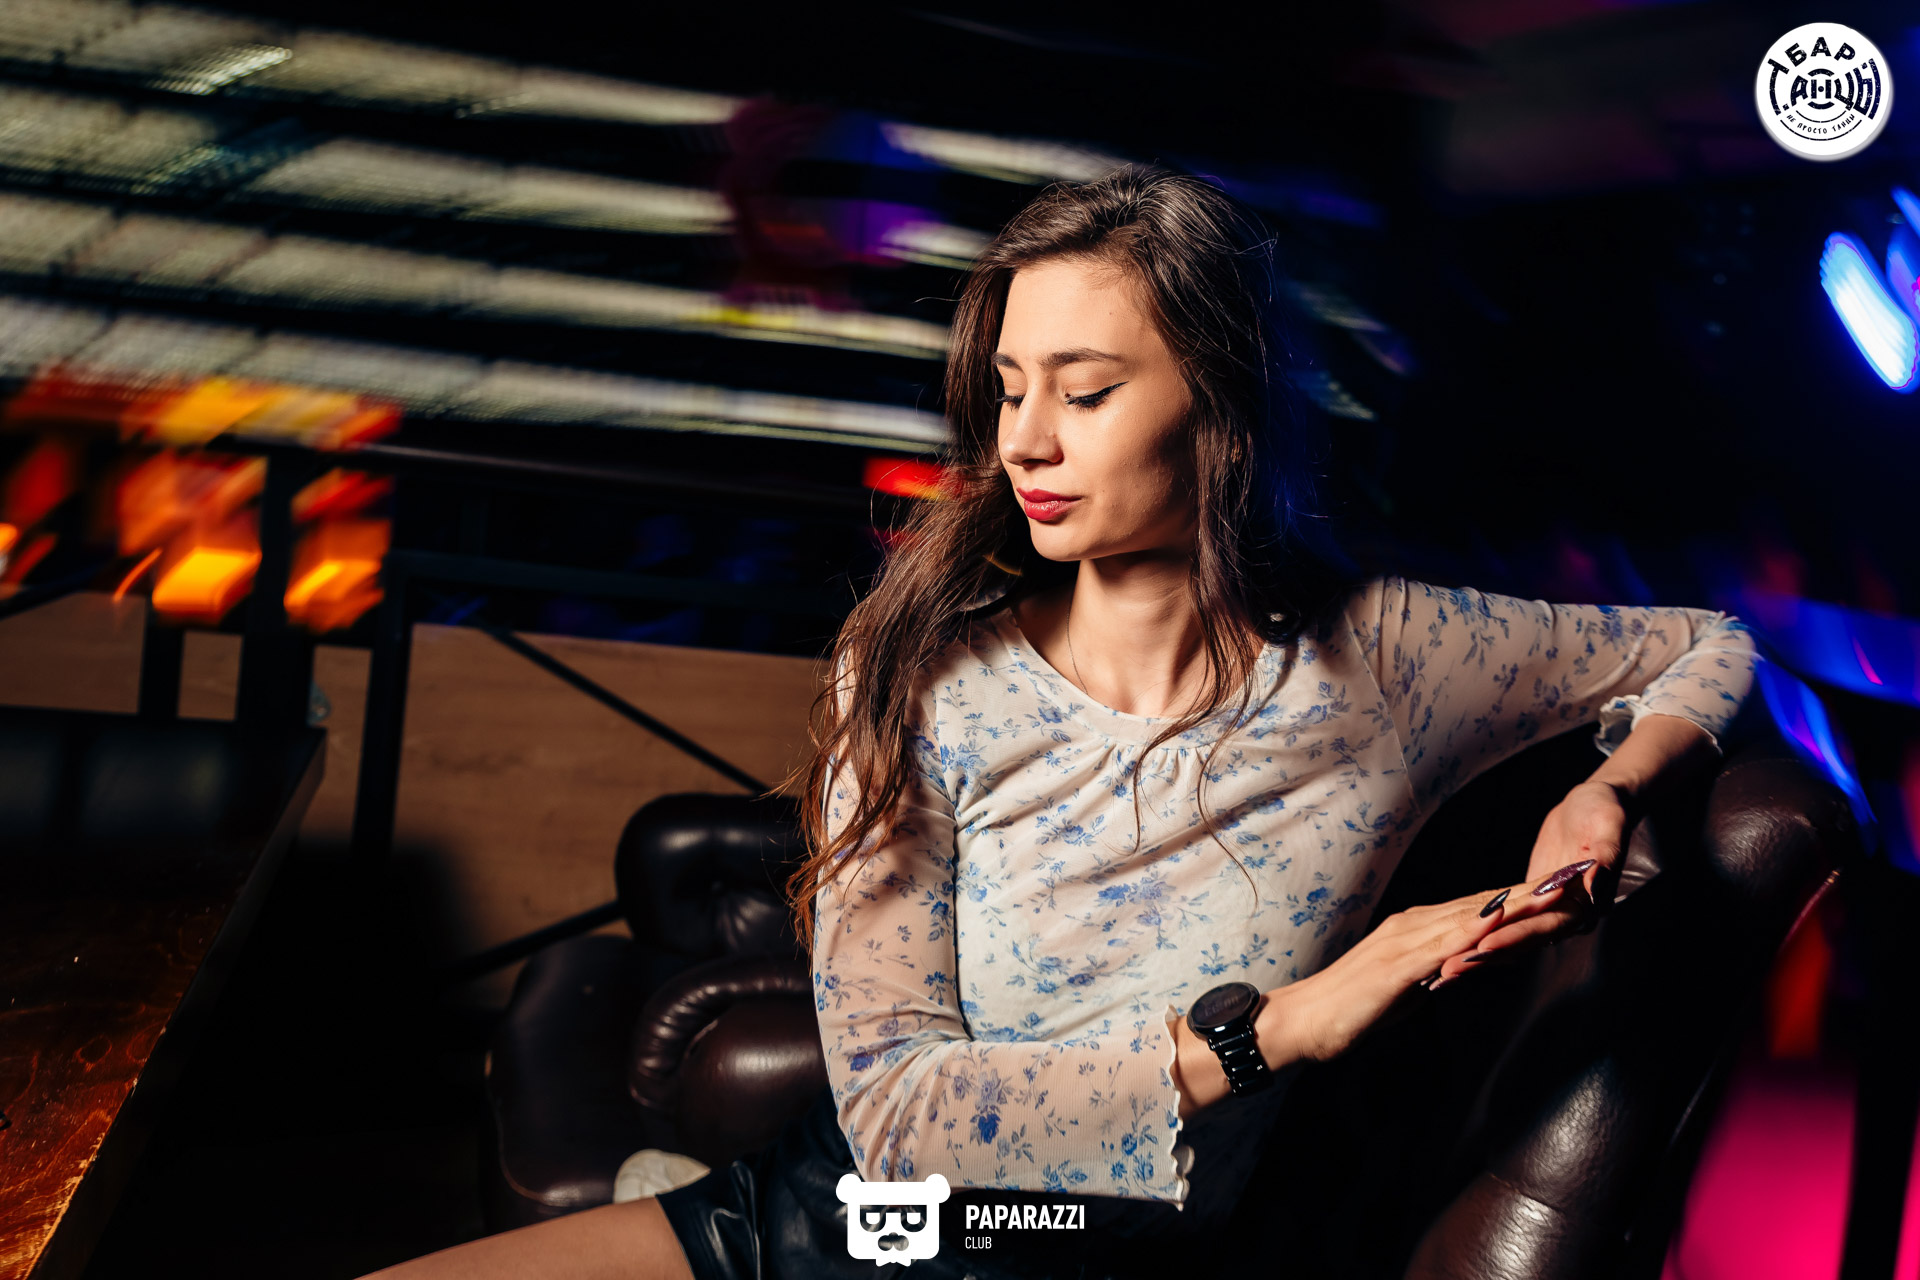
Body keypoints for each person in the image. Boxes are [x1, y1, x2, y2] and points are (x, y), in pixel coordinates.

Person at [361, 167, 1757, 1280]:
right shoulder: (920, 674)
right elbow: (896, 1118)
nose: (1024, 439)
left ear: (1221, 405)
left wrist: (1611, 785)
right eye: (1010, 388)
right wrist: (1274, 1032)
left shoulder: (1391, 659)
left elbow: (1709, 643)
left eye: (1084, 393)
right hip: (864, 1222)